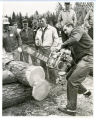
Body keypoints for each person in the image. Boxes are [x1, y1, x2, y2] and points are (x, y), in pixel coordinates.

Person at [58, 22, 93, 116]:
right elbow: (74, 59)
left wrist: (62, 45)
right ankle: (86, 91)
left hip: (88, 58)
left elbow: (75, 39)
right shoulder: (72, 42)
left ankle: (71, 109)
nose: (65, 32)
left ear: (70, 26)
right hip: (83, 59)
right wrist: (65, 70)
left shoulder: (77, 30)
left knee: (72, 81)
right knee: (69, 77)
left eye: (65, 29)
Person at [35, 17, 60, 83]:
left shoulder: (52, 29)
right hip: (41, 49)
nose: (40, 22)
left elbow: (56, 39)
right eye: (39, 21)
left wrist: (53, 47)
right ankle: (45, 79)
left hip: (49, 49)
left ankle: (53, 80)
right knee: (42, 65)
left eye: (42, 21)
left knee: (50, 65)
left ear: (46, 21)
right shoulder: (38, 30)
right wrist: (37, 43)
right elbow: (36, 39)